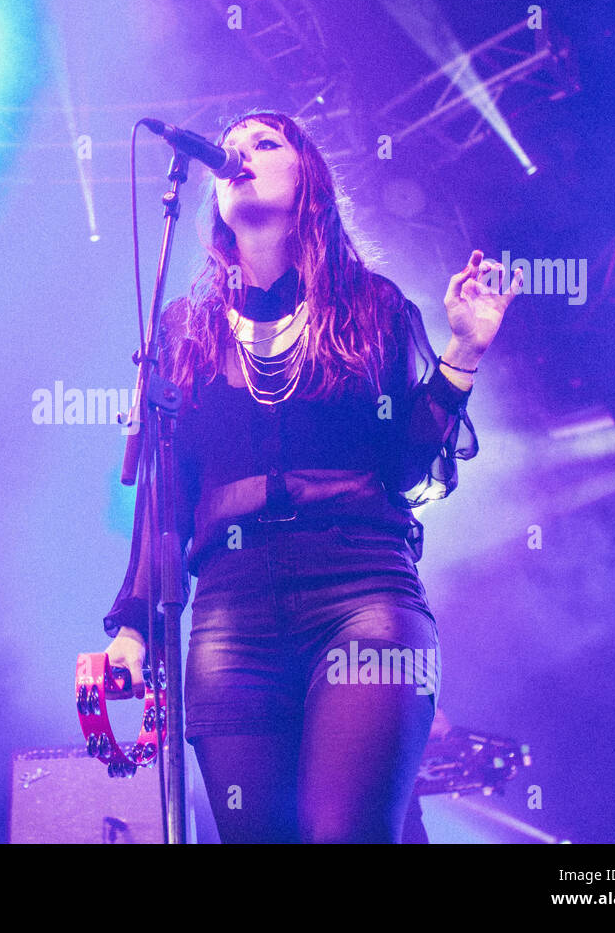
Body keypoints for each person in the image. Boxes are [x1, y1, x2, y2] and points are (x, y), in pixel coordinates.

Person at [101, 109, 521, 843]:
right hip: (232, 611)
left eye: (265, 144)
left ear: (308, 180)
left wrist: (461, 354)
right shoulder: (184, 328)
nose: (240, 155)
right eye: (230, 149)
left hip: (360, 590)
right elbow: (166, 497)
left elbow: (404, 465)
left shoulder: (371, 308)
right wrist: (133, 627)